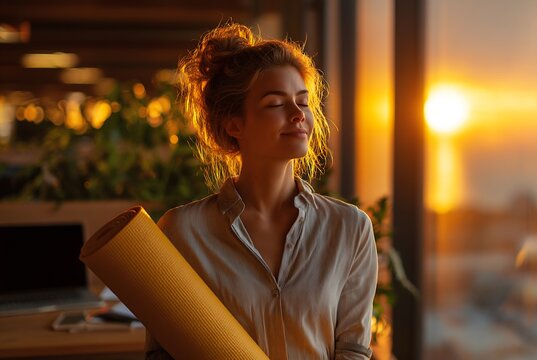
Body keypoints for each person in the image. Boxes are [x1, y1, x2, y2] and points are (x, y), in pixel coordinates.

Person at [145, 23, 378, 360]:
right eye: (275, 104)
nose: (298, 115)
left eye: (303, 102)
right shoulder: (181, 232)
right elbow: (163, 353)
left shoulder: (350, 228)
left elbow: (353, 351)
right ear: (234, 124)